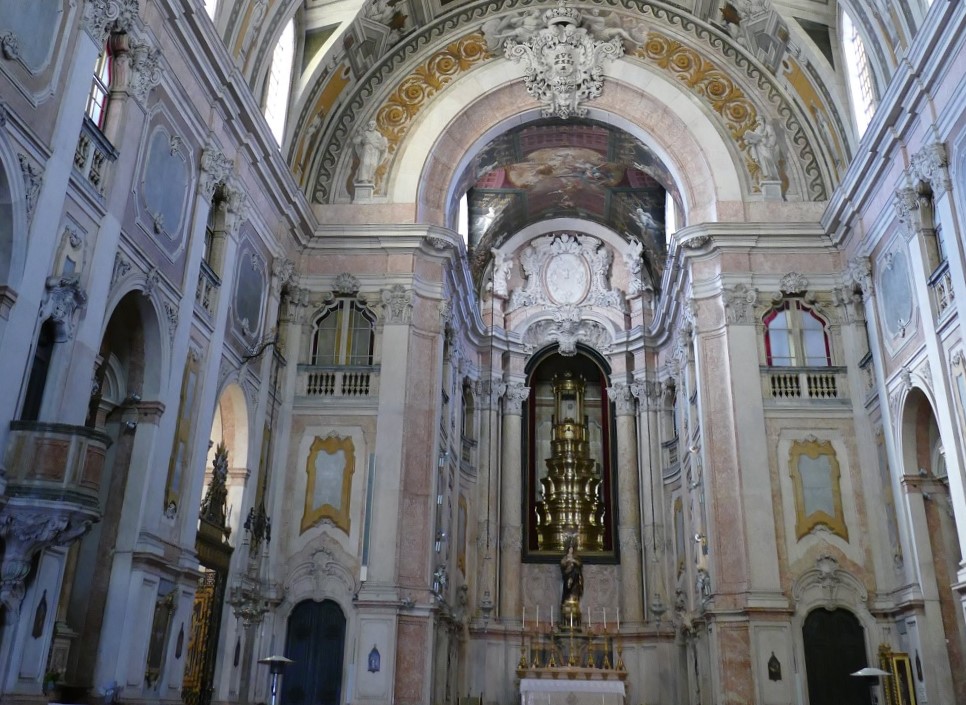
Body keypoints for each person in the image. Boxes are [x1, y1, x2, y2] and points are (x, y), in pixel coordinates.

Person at [353, 120, 388, 184]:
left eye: (372, 124)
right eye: (370, 124)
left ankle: (370, 178)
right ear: (368, 125)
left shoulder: (377, 134)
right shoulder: (365, 133)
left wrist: (380, 145)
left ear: (375, 126)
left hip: (375, 152)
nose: (371, 126)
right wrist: (360, 136)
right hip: (366, 150)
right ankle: (363, 179)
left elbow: (381, 144)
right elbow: (356, 141)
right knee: (365, 163)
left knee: (373, 164)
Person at [560, 538, 583, 604]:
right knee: (567, 589)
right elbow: (562, 564)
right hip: (567, 575)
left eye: (572, 549)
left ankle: (573, 597)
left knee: (575, 572)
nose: (571, 550)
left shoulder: (576, 558)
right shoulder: (565, 557)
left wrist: (573, 561)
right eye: (569, 549)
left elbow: (579, 564)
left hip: (575, 577)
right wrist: (567, 562)